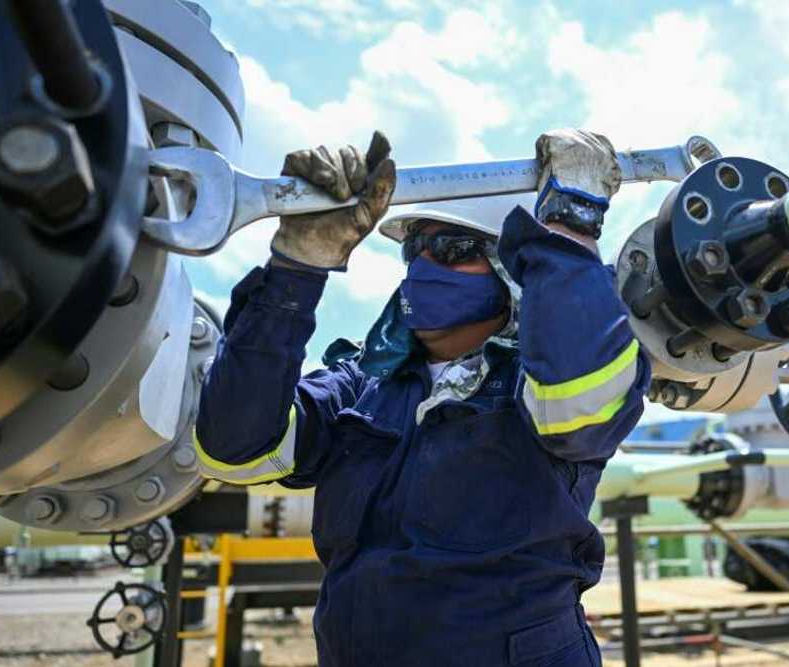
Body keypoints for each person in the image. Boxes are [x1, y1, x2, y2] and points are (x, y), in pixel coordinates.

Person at [195, 129, 650, 666]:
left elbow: (584, 405)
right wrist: (297, 268)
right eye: (417, 248)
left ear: (513, 273)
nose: (425, 266)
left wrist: (569, 228)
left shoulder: (542, 385)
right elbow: (232, 446)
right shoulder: (362, 385)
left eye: (454, 250)